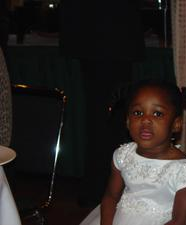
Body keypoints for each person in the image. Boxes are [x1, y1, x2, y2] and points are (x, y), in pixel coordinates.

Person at [79, 79, 186, 225]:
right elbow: (111, 197)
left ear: (176, 124)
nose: (145, 120)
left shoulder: (184, 171)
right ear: (127, 121)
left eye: (157, 114)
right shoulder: (123, 156)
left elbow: (180, 221)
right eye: (138, 112)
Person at [59, 0, 145, 206]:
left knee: (103, 118)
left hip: (97, 35)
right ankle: (106, 190)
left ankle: (101, 188)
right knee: (110, 120)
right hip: (110, 34)